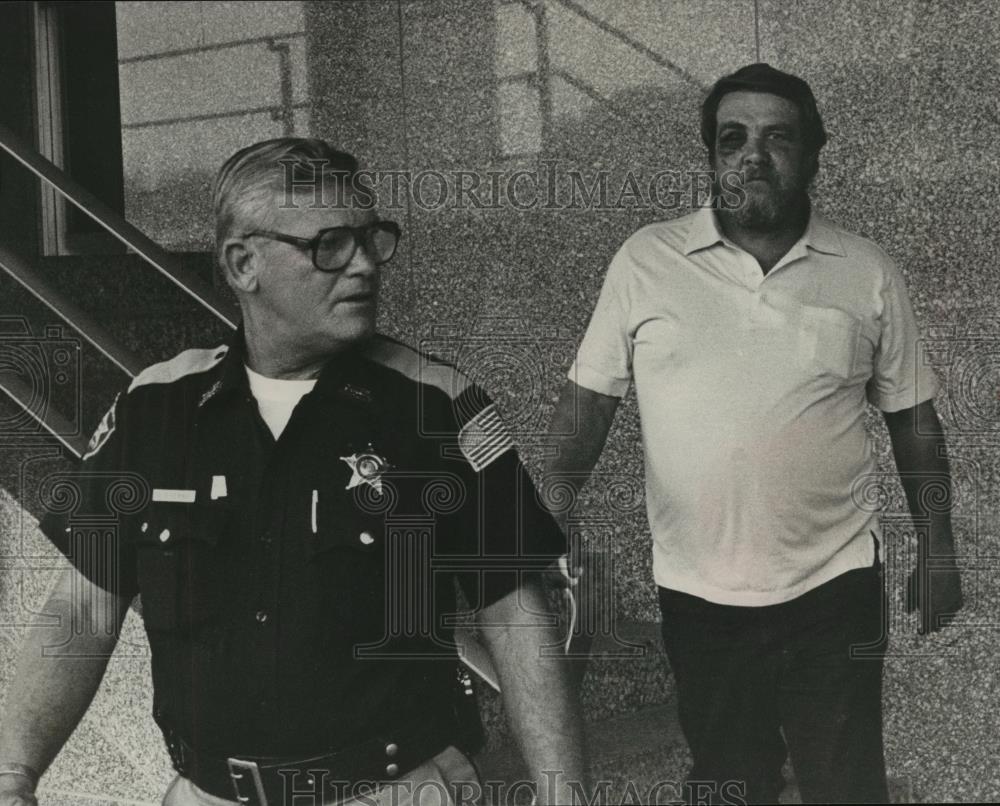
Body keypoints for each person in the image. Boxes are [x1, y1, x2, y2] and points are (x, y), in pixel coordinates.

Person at [0, 138, 584, 806]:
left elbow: (513, 613)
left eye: (372, 239)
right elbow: (82, 607)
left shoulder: (434, 407)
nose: (364, 265)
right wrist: (14, 774)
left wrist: (565, 795)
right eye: (330, 244)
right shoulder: (155, 410)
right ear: (243, 264)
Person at [545, 63, 963, 804]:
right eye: (732, 138)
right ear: (710, 155)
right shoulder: (646, 261)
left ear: (812, 155)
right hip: (698, 591)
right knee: (728, 782)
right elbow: (588, 404)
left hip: (833, 588)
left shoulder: (865, 270)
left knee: (845, 784)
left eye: (778, 138)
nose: (753, 156)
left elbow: (914, 421)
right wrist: (540, 521)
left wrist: (937, 548)